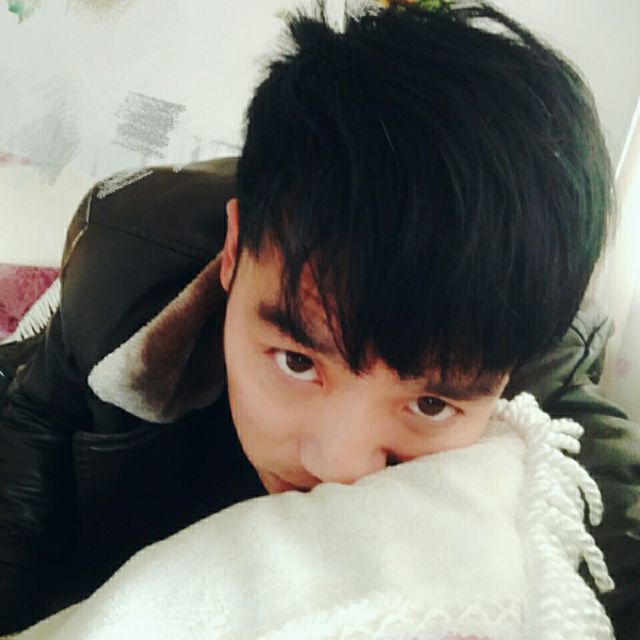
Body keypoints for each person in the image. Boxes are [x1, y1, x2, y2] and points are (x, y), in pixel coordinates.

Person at [0, 0, 638, 636]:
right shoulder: (126, 263)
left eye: (431, 404)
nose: (339, 466)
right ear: (234, 251)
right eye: (298, 361)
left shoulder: (529, 362)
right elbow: (36, 425)